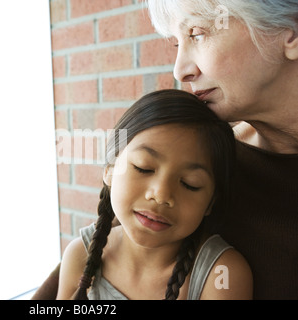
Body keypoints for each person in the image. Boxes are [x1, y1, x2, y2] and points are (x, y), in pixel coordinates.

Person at [32, 0, 298, 300]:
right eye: (176, 44)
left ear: (290, 30)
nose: (180, 70)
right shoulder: (203, 156)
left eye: (197, 33)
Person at [56, 89, 252, 300]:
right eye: (144, 168)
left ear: (211, 203)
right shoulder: (80, 254)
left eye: (189, 184)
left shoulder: (221, 275)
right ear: (110, 169)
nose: (160, 195)